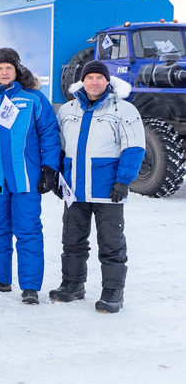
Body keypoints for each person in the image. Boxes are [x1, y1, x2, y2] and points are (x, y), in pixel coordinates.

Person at [0, 47, 61, 304]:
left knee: (28, 230)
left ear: (17, 70)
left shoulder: (34, 99)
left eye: (9, 68)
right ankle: (0, 278)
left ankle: (29, 286)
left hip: (25, 178)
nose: (4, 72)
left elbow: (50, 135)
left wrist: (50, 168)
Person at [50, 60, 144, 313]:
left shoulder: (124, 110)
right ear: (82, 81)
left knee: (111, 244)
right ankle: (72, 284)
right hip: (75, 190)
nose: (94, 82)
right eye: (89, 78)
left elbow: (134, 148)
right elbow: (58, 147)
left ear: (107, 81)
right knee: (72, 240)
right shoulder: (67, 110)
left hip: (108, 190)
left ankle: (112, 292)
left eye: (99, 78)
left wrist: (123, 181)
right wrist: (59, 177)